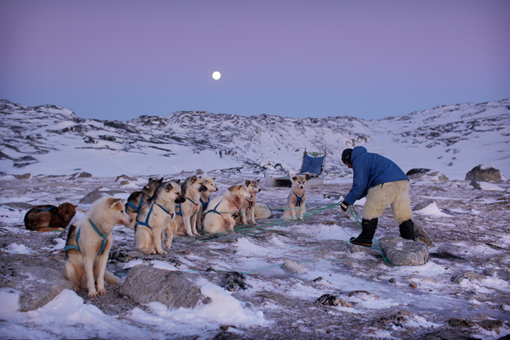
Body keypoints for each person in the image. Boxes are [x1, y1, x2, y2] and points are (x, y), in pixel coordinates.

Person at [339, 146, 415, 247]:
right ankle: (409, 237)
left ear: (348, 158)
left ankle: (365, 239)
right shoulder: (367, 157)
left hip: (387, 182)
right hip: (401, 180)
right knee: (402, 211)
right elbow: (365, 187)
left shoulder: (359, 159)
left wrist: (347, 202)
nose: (348, 166)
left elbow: (360, 185)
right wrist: (350, 199)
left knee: (371, 209)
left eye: (346, 163)